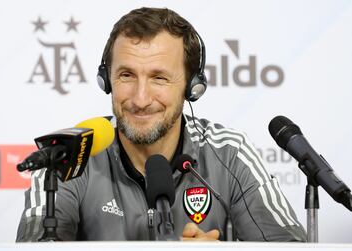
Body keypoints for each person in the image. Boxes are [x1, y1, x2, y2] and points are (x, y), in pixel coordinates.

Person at [16, 7, 306, 241]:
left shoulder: (230, 153)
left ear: (192, 88)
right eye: (127, 75)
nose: (140, 99)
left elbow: (291, 248)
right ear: (107, 81)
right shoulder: (68, 156)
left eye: (159, 78)